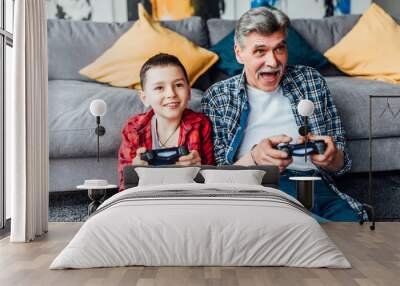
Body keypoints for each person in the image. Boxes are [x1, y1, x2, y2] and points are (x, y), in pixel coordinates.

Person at [201, 7, 366, 222]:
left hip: (317, 185)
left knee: (358, 232)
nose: (273, 62)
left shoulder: (310, 81)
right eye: (260, 51)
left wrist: (331, 158)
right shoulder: (218, 96)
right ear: (239, 53)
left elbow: (342, 164)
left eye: (279, 49)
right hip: (264, 188)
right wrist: (254, 158)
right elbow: (216, 178)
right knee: (316, 233)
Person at [118, 53, 215, 190]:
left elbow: (212, 182)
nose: (171, 94)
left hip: (188, 199)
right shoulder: (133, 128)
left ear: (189, 91)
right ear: (144, 97)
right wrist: (134, 171)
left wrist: (199, 169)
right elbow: (124, 186)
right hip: (147, 200)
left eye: (178, 85)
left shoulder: (201, 124)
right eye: (159, 88)